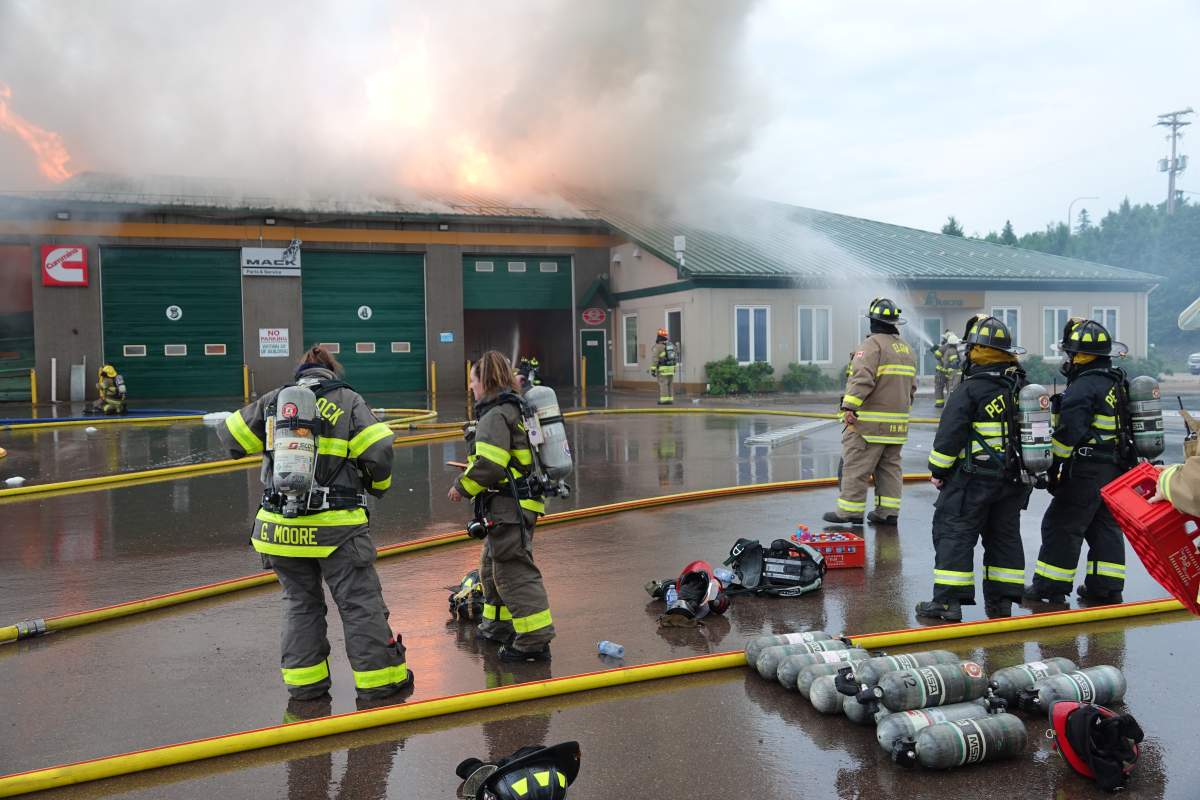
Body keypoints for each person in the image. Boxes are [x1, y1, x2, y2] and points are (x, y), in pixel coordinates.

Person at [218, 345, 412, 701]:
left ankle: (305, 687)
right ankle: (380, 683)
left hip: (280, 531)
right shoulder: (348, 400)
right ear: (332, 371)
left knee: (299, 602)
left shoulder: (277, 400)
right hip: (336, 528)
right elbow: (380, 450)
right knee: (358, 603)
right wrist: (376, 486)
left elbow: (229, 438)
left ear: (301, 372)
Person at [915, 316, 1030, 621]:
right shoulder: (1022, 387)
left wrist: (938, 471)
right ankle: (1002, 601)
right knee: (1004, 536)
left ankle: (947, 603)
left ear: (976, 351)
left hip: (973, 480)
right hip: (1014, 480)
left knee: (953, 532)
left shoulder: (971, 389)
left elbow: (949, 435)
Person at [449, 351, 555, 662]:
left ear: (485, 381)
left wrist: (461, 487)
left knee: (513, 571)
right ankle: (497, 625)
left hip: (511, 506)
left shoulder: (496, 415)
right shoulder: (509, 408)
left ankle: (534, 641)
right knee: (491, 567)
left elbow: (491, 466)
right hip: (510, 504)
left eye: (473, 381)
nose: (471, 388)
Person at [1024, 319, 1131, 605]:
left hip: (1086, 469)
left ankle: (1049, 588)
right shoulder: (1117, 381)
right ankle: (1106, 587)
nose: (1067, 359)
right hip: (1116, 468)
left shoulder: (1083, 387)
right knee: (1104, 526)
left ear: (1081, 356)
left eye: (1070, 354)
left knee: (1061, 525)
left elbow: (1069, 432)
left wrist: (1052, 464)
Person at [823, 298, 917, 525]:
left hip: (867, 426)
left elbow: (861, 379)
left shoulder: (871, 346)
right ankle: (888, 513)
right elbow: (911, 388)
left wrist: (849, 407)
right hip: (896, 427)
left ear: (873, 322)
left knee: (856, 466)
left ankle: (849, 512)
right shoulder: (906, 349)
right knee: (889, 470)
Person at [931, 331, 962, 409]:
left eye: (944, 338)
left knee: (939, 387)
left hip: (942, 371)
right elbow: (954, 362)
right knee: (950, 387)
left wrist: (937, 350)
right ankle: (950, 403)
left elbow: (937, 356)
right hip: (949, 372)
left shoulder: (944, 347)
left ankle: (940, 403)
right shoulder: (952, 349)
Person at [649, 329, 678, 405]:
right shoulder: (671, 345)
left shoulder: (658, 347)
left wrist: (653, 370)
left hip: (663, 369)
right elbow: (676, 354)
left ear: (658, 337)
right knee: (670, 384)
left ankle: (664, 400)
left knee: (663, 384)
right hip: (671, 368)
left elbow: (655, 359)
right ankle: (670, 399)